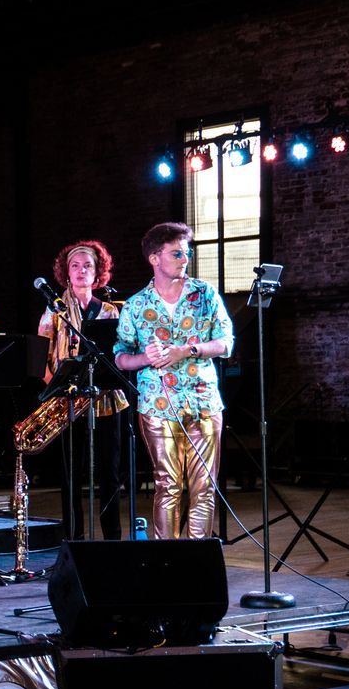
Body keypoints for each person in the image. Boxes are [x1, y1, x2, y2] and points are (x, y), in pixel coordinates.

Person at [115, 222, 234, 540]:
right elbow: (120, 357)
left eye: (187, 252)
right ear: (155, 258)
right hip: (158, 404)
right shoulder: (136, 305)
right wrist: (145, 358)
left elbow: (225, 343)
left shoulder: (204, 294)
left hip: (203, 401)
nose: (185, 258)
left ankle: (197, 560)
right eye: (177, 253)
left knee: (204, 486)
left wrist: (188, 349)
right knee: (167, 485)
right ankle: (166, 561)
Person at [37, 239, 127, 540]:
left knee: (110, 475)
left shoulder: (111, 312)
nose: (80, 271)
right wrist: (60, 390)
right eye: (74, 266)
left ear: (98, 272)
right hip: (69, 403)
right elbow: (42, 361)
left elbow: (120, 356)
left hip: (106, 401)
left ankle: (112, 538)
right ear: (65, 272)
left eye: (87, 265)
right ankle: (73, 539)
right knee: (71, 474)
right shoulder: (54, 312)